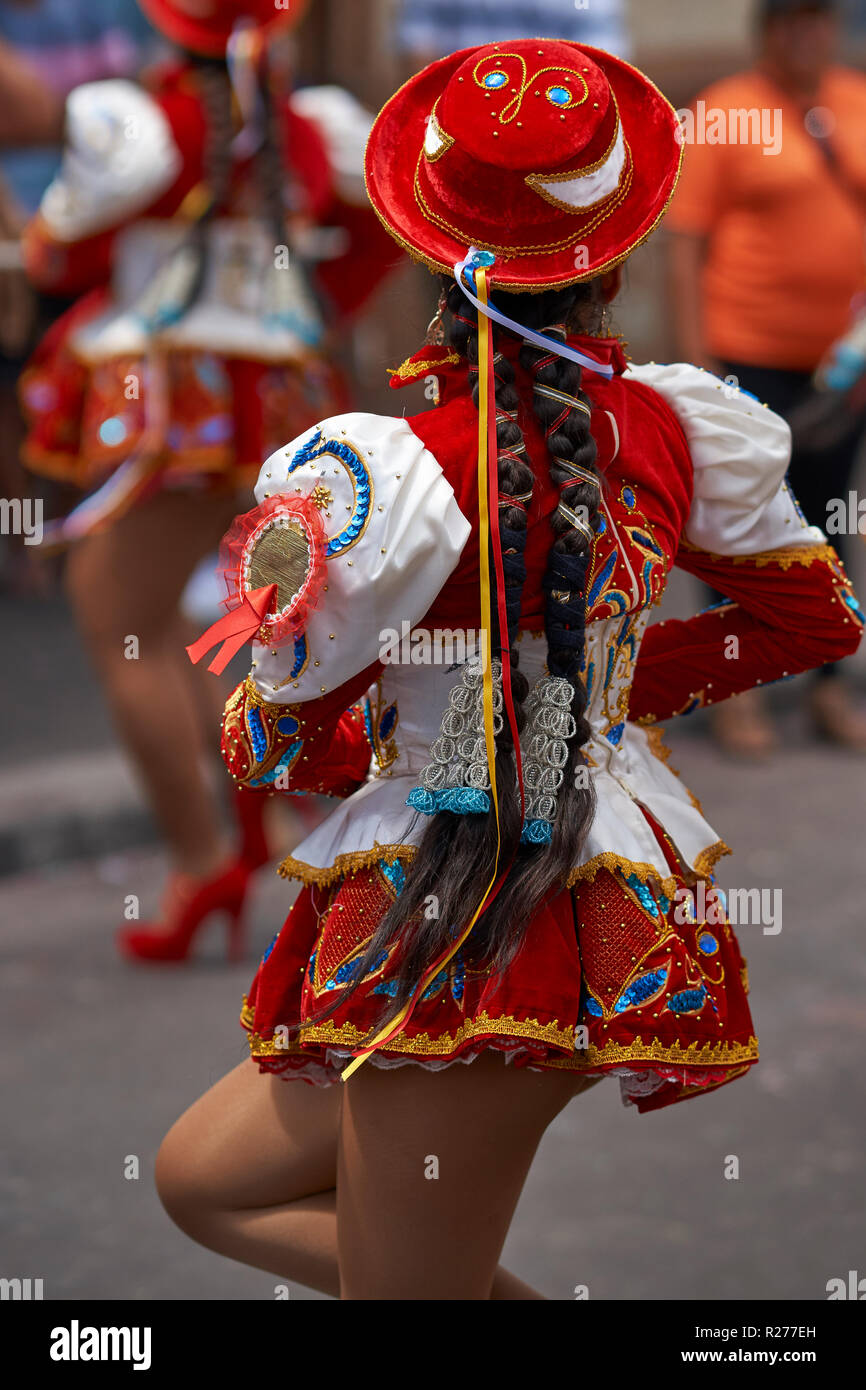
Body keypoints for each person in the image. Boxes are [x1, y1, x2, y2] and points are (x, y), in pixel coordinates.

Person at [153, 37, 863, 1300]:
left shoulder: (377, 473)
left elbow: (283, 749)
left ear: (434, 250)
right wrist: (592, 692)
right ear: (619, 251)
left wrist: (485, 695)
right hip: (556, 871)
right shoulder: (668, 424)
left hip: (474, 901)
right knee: (201, 1178)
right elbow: (813, 626)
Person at [17, 0, 397, 961]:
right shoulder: (316, 127)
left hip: (177, 399)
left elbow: (58, 252)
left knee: (116, 615)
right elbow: (380, 237)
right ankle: (270, 838)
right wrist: (297, 321)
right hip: (287, 391)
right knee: (265, 625)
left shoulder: (134, 125)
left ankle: (203, 860)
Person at [667, 0, 866, 756]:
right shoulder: (724, 112)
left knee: (827, 525)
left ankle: (824, 683)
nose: (806, 35)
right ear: (767, 32)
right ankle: (733, 692)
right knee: (738, 530)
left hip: (840, 362)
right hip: (746, 354)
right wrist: (696, 361)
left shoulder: (857, 99)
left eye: (819, 20)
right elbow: (686, 240)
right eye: (790, 21)